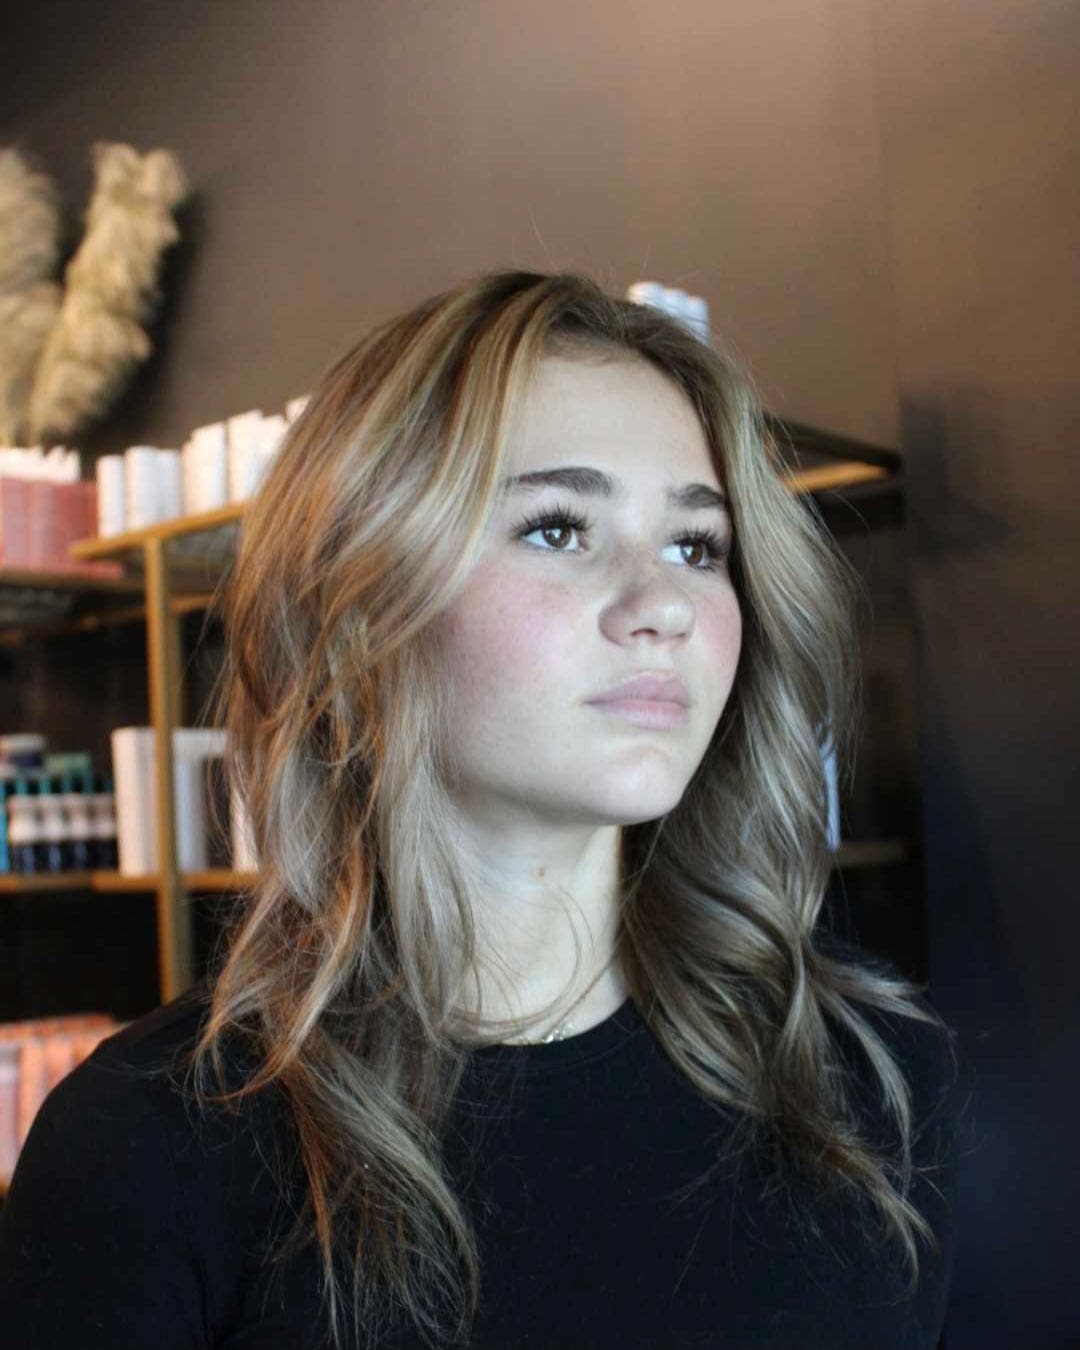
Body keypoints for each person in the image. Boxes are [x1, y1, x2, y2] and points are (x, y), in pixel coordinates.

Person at [0, 269, 964, 1349]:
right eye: (558, 528)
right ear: (361, 606)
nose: (663, 608)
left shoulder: (866, 1082)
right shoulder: (150, 1152)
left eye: (698, 546)